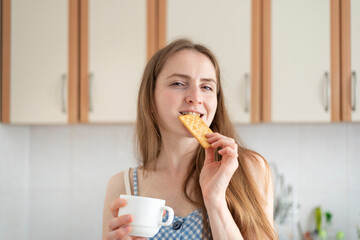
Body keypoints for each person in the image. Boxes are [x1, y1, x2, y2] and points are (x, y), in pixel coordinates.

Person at [102, 38, 277, 240]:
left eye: (207, 87)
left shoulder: (249, 169)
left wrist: (215, 199)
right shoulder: (122, 186)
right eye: (178, 83)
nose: (195, 97)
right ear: (150, 98)